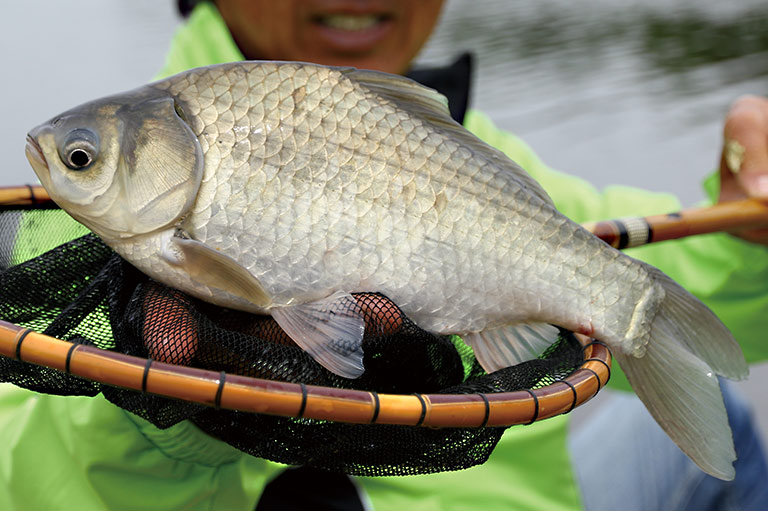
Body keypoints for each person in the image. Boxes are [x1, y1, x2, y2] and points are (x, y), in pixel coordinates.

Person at [1, 1, 767, 509]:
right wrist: (160, 416)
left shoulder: (484, 158)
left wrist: (749, 234)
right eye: (80, 157)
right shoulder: (86, 243)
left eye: (79, 157)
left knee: (719, 402)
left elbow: (612, 244)